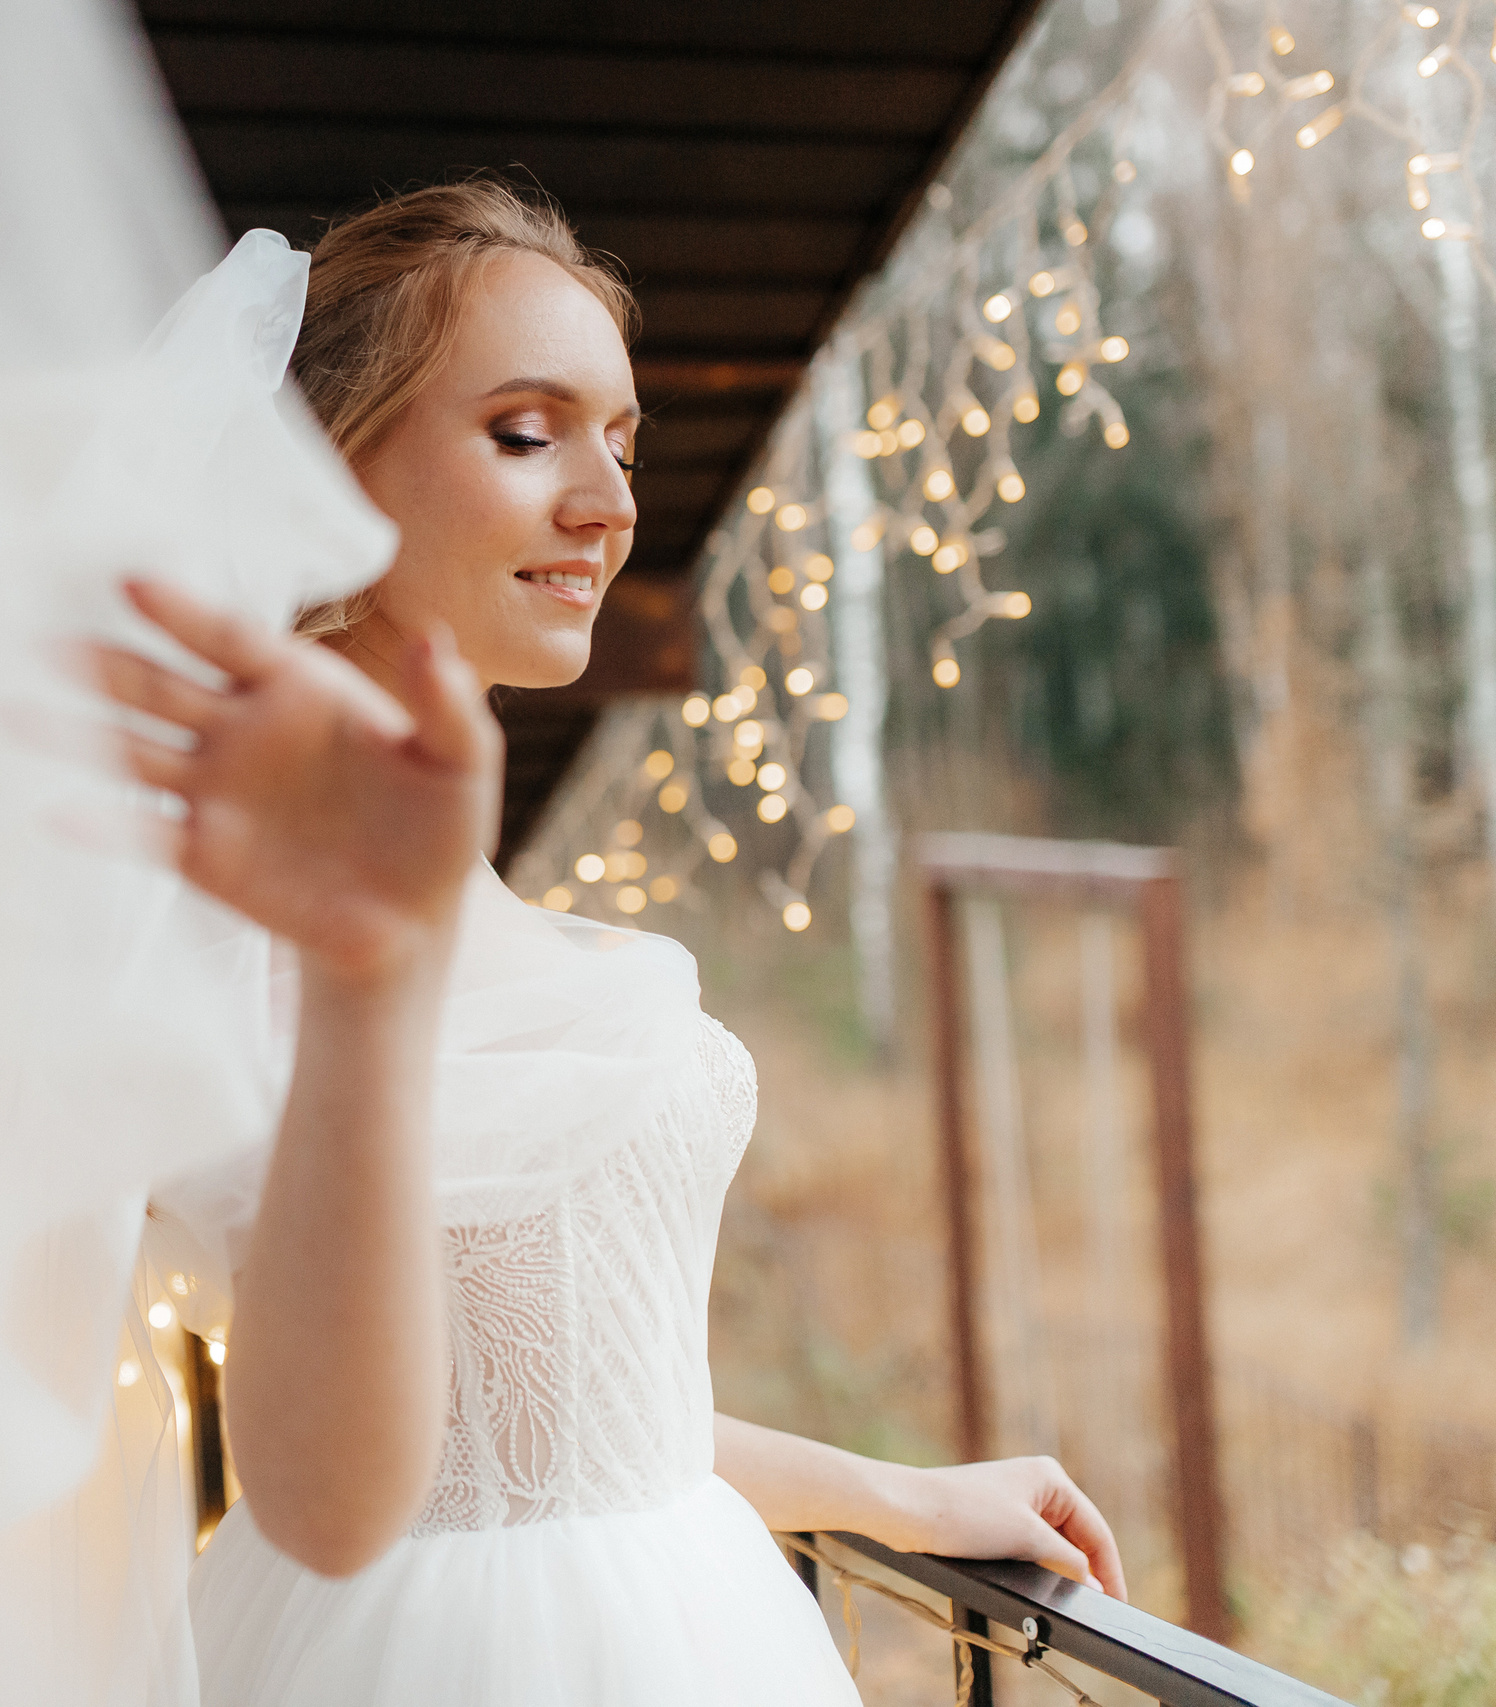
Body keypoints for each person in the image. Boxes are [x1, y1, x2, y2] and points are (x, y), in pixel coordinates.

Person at [83, 179, 1124, 1702]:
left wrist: (896, 1497)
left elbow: (554, 1433)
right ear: (320, 471)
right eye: (527, 433)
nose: (611, 502)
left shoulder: (444, 881)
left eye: (623, 445)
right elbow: (338, 1483)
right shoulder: (265, 928)